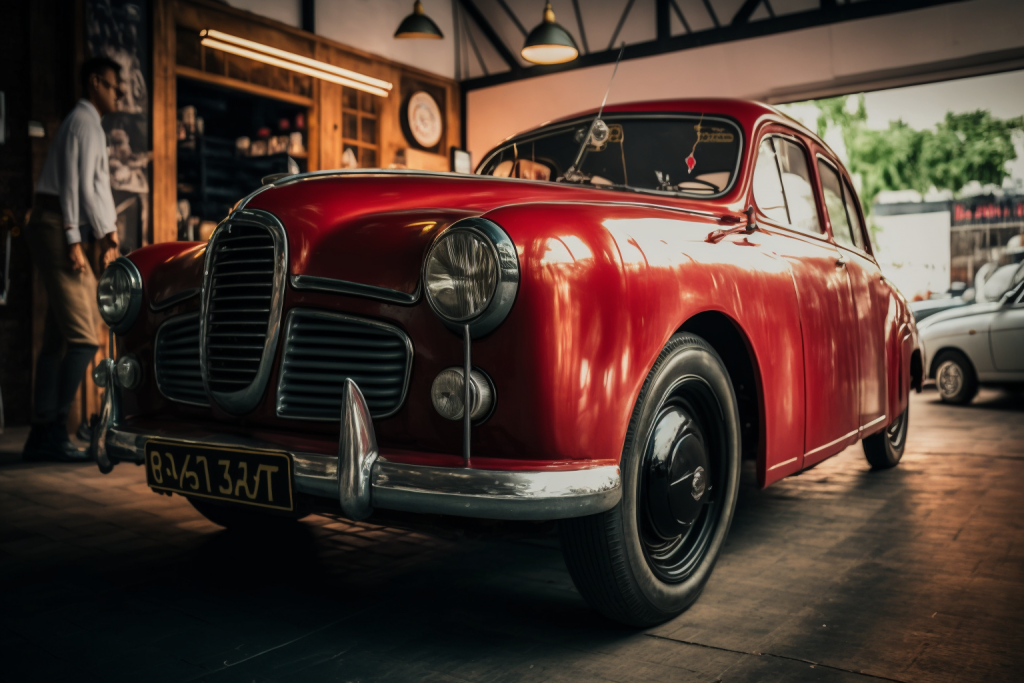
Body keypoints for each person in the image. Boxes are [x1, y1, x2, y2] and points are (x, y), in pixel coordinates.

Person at [22, 57, 123, 462]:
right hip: (57, 224)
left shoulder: (85, 125)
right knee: (84, 337)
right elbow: (79, 186)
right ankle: (53, 431)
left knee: (56, 338)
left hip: (57, 224)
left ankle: (40, 434)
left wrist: (97, 234)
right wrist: (75, 236)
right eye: (114, 86)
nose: (119, 93)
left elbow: (88, 188)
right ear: (95, 83)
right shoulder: (85, 122)